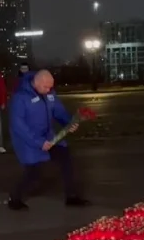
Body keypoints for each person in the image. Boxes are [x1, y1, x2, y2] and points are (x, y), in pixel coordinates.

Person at [7, 69, 89, 210]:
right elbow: (18, 125)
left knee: (66, 159)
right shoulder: (20, 97)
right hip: (28, 140)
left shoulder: (49, 94)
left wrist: (69, 122)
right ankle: (14, 198)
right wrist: (38, 142)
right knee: (33, 172)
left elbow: (59, 111)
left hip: (49, 137)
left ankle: (71, 196)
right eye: (46, 87)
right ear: (36, 82)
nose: (48, 90)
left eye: (50, 87)